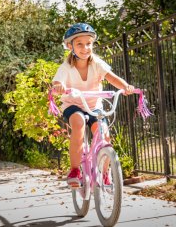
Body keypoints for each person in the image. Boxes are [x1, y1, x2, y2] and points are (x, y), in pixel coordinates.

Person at [52, 23, 135, 187]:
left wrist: (125, 86)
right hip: (73, 105)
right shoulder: (66, 67)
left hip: (94, 106)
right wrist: (58, 87)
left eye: (88, 43)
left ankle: (105, 174)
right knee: (79, 123)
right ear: (70, 46)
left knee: (104, 134)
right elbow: (57, 81)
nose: (85, 48)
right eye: (80, 44)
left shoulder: (96, 63)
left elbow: (111, 77)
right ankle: (75, 170)